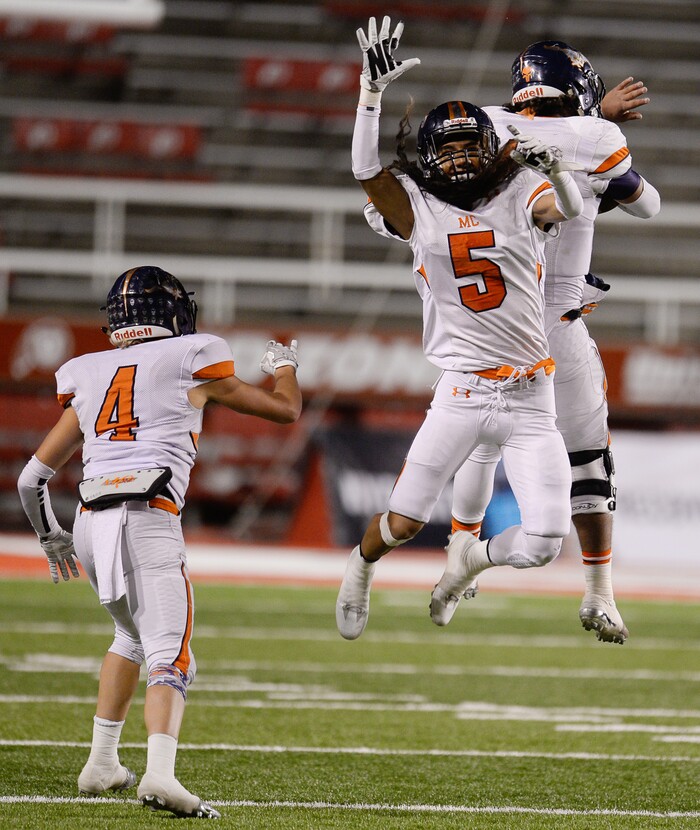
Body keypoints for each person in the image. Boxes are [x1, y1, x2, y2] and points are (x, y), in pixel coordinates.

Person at [16, 265, 301, 818]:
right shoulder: (191, 356)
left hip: (88, 524)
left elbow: (32, 479)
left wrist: (52, 538)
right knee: (173, 652)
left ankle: (101, 764)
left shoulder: (87, 371)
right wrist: (286, 366)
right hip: (146, 513)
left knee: (130, 635)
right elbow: (284, 410)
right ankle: (161, 776)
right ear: (170, 312)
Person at [336, 16, 585, 640]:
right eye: (445, 150)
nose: (457, 158)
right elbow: (365, 167)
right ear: (428, 157)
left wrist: (555, 169)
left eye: (467, 145)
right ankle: (360, 568)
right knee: (404, 522)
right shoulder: (414, 206)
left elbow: (572, 206)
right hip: (464, 389)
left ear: (489, 145)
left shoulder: (521, 187)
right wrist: (371, 95)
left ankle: (470, 559)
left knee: (545, 542)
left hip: (532, 395)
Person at [447, 42, 660, 644]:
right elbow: (647, 204)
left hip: (485, 320)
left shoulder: (481, 126)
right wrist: (597, 132)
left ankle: (459, 548)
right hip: (554, 326)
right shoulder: (595, 138)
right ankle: (599, 593)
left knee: (481, 442)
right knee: (588, 457)